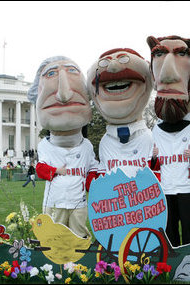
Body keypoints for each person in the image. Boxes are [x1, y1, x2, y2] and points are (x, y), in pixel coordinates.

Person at [146, 35, 190, 247]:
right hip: (167, 188)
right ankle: (172, 256)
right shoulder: (156, 128)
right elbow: (151, 163)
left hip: (187, 187)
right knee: (169, 225)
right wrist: (154, 159)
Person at [28, 56, 99, 238]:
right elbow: (41, 169)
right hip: (55, 200)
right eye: (51, 74)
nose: (64, 94)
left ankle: (79, 262)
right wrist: (56, 170)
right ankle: (55, 263)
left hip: (78, 200)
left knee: (78, 232)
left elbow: (93, 169)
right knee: (55, 234)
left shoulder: (86, 146)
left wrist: (94, 183)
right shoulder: (45, 145)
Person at [86, 48, 154, 178]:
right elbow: (103, 173)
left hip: (143, 195)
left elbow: (156, 172)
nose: (113, 66)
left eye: (123, 59)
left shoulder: (149, 138)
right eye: (105, 63)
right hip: (116, 195)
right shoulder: (105, 141)